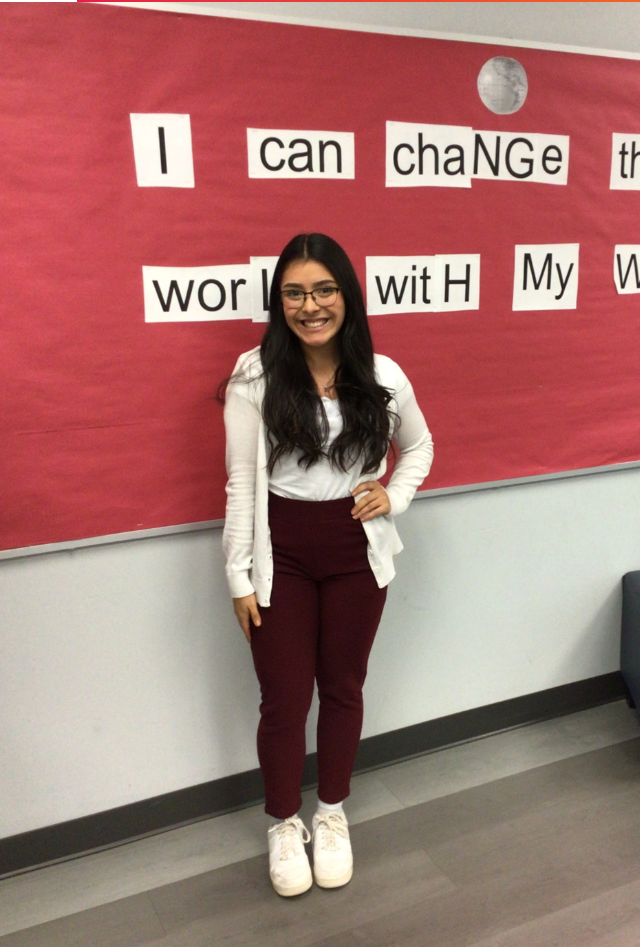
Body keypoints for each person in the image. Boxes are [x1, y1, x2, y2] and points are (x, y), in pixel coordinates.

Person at [222, 233, 433, 897]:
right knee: (284, 700)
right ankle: (285, 823)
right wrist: (237, 574)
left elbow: (421, 447)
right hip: (279, 552)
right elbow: (239, 484)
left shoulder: (384, 374)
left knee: (342, 687)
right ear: (278, 301)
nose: (309, 306)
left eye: (323, 290)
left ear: (346, 296)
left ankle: (332, 814)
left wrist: (392, 495)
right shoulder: (253, 374)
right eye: (294, 293)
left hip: (353, 552)